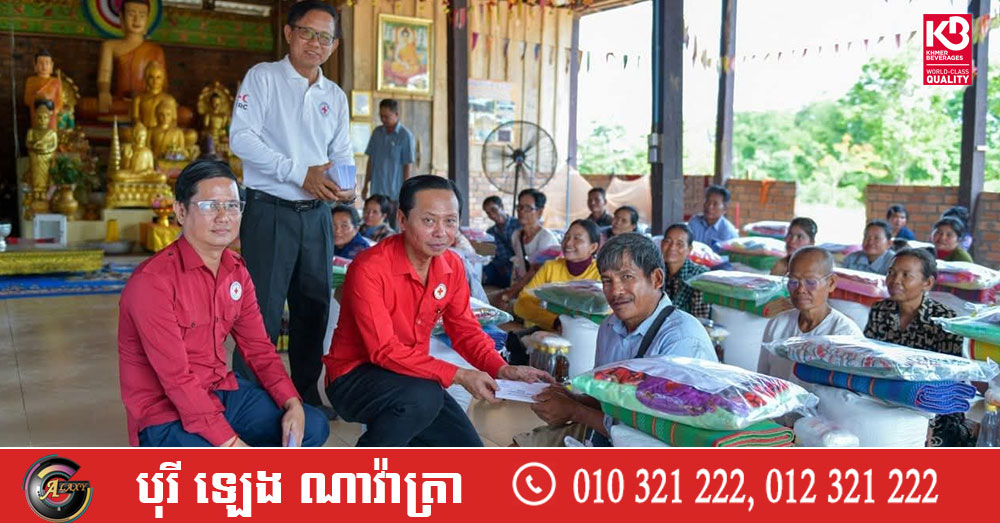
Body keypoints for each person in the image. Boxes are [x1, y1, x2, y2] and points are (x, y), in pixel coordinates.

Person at [324, 175, 553, 446]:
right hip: (353, 377)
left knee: (468, 449)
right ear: (402, 219)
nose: (441, 232)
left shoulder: (452, 266)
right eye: (429, 220)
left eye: (450, 221)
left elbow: (466, 331)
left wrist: (502, 369)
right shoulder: (369, 268)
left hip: (411, 376)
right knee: (424, 398)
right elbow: (383, 351)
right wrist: (461, 375)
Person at [118, 160, 329, 447]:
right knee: (225, 463)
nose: (223, 216)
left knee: (311, 426)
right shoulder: (152, 282)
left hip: (221, 391)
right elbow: (176, 380)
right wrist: (230, 444)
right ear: (181, 211)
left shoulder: (236, 271)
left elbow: (259, 349)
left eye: (232, 206)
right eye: (210, 206)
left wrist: (291, 402)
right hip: (165, 411)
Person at [229, 1, 355, 414]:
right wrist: (299, 173)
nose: (315, 43)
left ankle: (303, 393)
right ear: (289, 33)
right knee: (261, 312)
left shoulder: (334, 96)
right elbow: (241, 139)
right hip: (270, 212)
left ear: (334, 46)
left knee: (313, 308)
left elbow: (341, 151)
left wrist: (347, 186)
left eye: (324, 37)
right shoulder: (263, 78)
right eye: (307, 32)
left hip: (316, 216)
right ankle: (249, 400)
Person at [515, 233, 717, 446]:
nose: (615, 290)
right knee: (517, 449)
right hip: (607, 432)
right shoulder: (609, 327)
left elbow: (654, 435)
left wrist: (574, 411)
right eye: (607, 280)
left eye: (627, 277)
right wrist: (568, 397)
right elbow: (606, 400)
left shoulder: (681, 340)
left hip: (657, 451)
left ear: (657, 279)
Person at [863, 248, 971, 446]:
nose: (895, 280)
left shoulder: (944, 320)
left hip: (932, 403)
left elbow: (949, 380)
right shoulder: (880, 311)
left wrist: (930, 420)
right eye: (891, 272)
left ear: (927, 283)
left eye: (906, 275)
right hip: (885, 395)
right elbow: (868, 361)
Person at [757, 247, 862, 380]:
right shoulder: (778, 324)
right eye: (793, 281)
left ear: (831, 283)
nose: (800, 289)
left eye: (811, 282)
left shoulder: (845, 334)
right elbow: (762, 377)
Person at [514, 219, 601, 330]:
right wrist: (554, 322)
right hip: (548, 332)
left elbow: (608, 313)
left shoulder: (601, 273)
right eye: (567, 237)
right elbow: (522, 303)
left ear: (593, 247)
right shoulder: (550, 267)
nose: (568, 243)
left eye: (577, 238)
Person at [502, 189, 560, 303]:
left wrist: (511, 293)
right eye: (519, 207)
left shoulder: (545, 238)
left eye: (528, 208)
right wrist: (513, 289)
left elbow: (535, 272)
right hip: (523, 288)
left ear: (539, 212)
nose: (522, 212)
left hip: (541, 293)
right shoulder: (516, 235)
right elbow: (520, 267)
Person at [362, 98, 415, 200]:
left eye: (386, 116)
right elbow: (370, 161)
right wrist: (365, 185)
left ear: (396, 114)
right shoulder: (377, 133)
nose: (383, 119)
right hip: (376, 191)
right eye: (381, 116)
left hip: (395, 194)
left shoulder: (405, 136)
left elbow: (407, 166)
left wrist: (405, 191)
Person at [660, 223, 710, 319]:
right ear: (662, 244)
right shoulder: (656, 272)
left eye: (679, 244)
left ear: (689, 249)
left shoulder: (699, 277)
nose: (672, 247)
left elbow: (700, 320)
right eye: (668, 242)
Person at [482, 195, 521, 288]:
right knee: (480, 272)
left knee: (510, 277)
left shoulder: (518, 225)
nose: (492, 215)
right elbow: (490, 256)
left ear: (502, 207)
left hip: (516, 268)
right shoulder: (490, 232)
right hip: (499, 269)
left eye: (494, 210)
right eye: (488, 213)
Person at [688, 184, 739, 252]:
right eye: (707, 201)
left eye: (715, 204)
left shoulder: (729, 232)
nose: (709, 206)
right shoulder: (694, 222)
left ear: (725, 209)